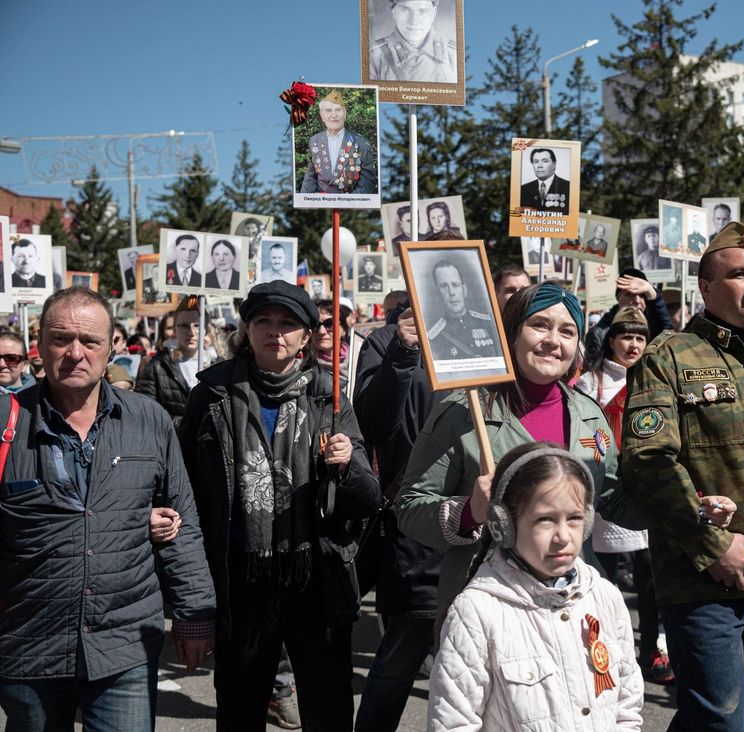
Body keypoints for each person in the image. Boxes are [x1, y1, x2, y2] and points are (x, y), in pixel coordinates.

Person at [0, 287, 216, 730]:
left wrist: (195, 613)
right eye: (61, 339)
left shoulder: (148, 419)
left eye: (90, 341)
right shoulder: (6, 421)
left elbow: (182, 518)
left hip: (125, 645)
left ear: (111, 347)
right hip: (28, 645)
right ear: (39, 345)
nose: (75, 353)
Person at [177, 280, 382, 730]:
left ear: (307, 336)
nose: (276, 332)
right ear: (246, 330)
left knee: (327, 713)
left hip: (318, 580)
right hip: (242, 581)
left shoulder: (329, 399)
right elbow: (183, 489)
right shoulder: (211, 395)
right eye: (264, 322)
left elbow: (369, 498)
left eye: (288, 323)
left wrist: (346, 466)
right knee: (239, 711)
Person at [620, 221, 744, 731]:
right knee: (718, 720)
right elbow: (648, 460)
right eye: (740, 275)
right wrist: (713, 545)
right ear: (705, 287)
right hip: (704, 579)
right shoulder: (670, 355)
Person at [395, 282, 651, 630]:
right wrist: (470, 512)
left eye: (567, 331)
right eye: (539, 325)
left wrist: (686, 503)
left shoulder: (589, 415)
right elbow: (409, 508)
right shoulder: (462, 412)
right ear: (511, 333)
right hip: (490, 613)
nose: (552, 340)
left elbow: (614, 499)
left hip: (573, 606)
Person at [427, 443, 644, 730]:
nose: (563, 536)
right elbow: (452, 723)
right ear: (504, 525)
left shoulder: (604, 596)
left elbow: (627, 707)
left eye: (575, 519)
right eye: (545, 520)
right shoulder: (476, 613)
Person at [352, 299, 446, 732]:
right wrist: (404, 354)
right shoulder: (386, 340)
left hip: (480, 526)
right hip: (416, 526)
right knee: (401, 658)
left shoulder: (484, 341)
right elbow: (373, 424)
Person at [575, 307, 674, 685]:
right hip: (603, 488)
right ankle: (604, 653)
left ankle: (652, 650)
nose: (633, 344)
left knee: (651, 581)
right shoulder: (590, 383)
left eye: (639, 337)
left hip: (648, 490)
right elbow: (581, 434)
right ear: (611, 340)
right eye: (626, 336)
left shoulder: (657, 380)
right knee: (602, 580)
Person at [134, 298, 208, 425]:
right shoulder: (157, 366)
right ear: (175, 329)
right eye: (184, 326)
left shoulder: (219, 365)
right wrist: (186, 424)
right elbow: (145, 411)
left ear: (205, 329)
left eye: (197, 325)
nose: (191, 332)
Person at [583, 268, 673, 370]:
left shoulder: (653, 325)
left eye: (643, 295)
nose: (637, 301)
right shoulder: (599, 333)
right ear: (618, 298)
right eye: (629, 294)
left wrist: (653, 294)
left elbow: (667, 335)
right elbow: (592, 370)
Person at [300, 90, 376, 196]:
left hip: (350, 207)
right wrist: (305, 201)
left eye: (338, 110)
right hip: (321, 206)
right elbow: (310, 177)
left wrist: (348, 203)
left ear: (345, 113)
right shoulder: (314, 140)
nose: (334, 115)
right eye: (328, 110)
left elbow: (367, 184)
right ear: (322, 115)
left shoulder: (362, 143)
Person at [425, 259, 500, 360]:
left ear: (464, 290)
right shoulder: (434, 337)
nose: (451, 292)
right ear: (438, 294)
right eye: (444, 286)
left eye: (455, 285)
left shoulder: (489, 323)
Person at [369, 0, 457, 83]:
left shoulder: (455, 54)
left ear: (433, 14)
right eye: (405, 10)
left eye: (423, 11)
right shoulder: (373, 56)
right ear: (394, 13)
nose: (413, 21)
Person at [518, 148, 570, 214]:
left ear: (554, 164)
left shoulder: (568, 187)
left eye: (545, 161)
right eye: (536, 162)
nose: (539, 166)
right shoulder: (523, 189)